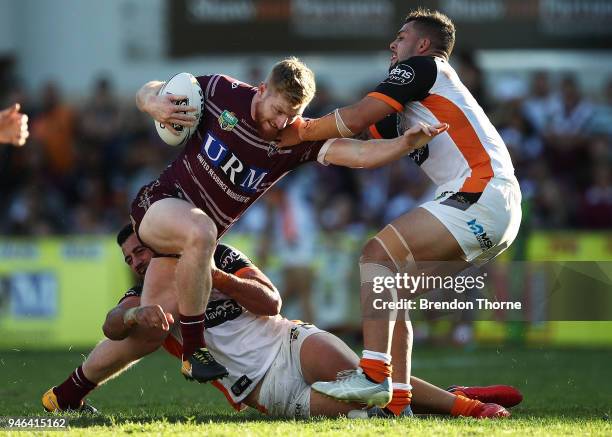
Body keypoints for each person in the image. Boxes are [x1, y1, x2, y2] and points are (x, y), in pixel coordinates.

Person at [129, 57, 448, 383]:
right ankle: (193, 351)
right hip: (159, 205)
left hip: (192, 244)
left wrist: (404, 144)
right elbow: (153, 89)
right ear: (263, 89)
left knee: (139, 335)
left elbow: (360, 154)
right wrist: (154, 104)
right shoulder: (221, 91)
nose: (282, 122)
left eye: (292, 114)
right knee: (202, 230)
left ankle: (73, 396)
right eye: (278, 110)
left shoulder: (296, 139)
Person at [277, 8, 522, 417]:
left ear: (423, 44)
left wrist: (296, 129)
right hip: (498, 210)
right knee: (392, 293)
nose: (393, 44)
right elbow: (358, 134)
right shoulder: (415, 99)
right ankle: (398, 403)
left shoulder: (423, 68)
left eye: (402, 36)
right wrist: (304, 141)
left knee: (375, 255)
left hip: (480, 192)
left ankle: (373, 376)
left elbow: (353, 117)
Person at [43, 224, 521, 419]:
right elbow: (114, 328)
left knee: (366, 382)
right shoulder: (146, 294)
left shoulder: (219, 255)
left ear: (162, 240)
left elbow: (270, 301)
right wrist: (131, 314)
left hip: (288, 341)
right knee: (366, 409)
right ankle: (459, 401)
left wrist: (218, 279)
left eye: (140, 250)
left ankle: (464, 407)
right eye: (129, 258)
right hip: (265, 387)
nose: (137, 261)